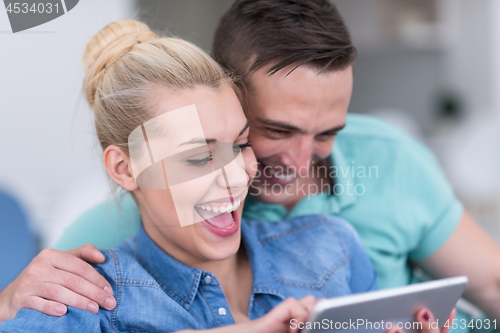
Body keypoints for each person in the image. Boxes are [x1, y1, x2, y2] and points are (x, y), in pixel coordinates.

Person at [1, 0, 499, 326]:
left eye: (239, 144)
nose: (238, 174)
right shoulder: (88, 282)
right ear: (125, 169)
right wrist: (8, 299)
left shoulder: (333, 245)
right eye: (199, 155)